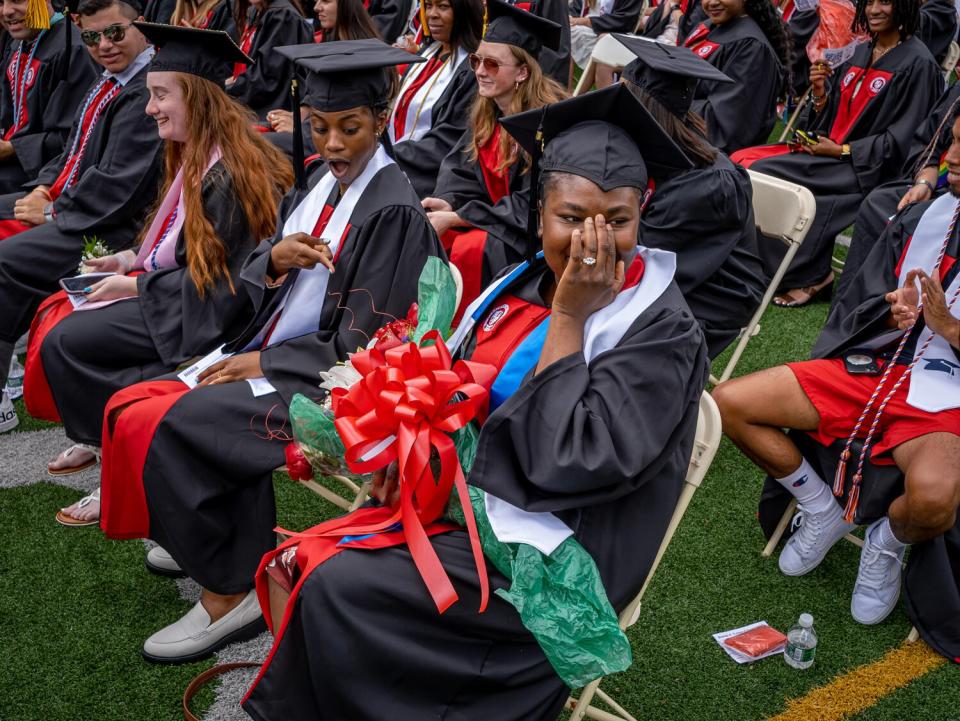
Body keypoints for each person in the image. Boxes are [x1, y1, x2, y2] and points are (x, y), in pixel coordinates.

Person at [240, 84, 707, 721]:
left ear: (640, 214)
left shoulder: (661, 330)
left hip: (559, 547)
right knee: (311, 559)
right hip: (471, 501)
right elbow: (455, 388)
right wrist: (407, 460)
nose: (593, 242)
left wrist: (570, 317)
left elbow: (567, 462)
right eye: (571, 218)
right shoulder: (524, 277)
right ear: (539, 213)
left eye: (618, 220)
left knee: (338, 584)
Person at [96, 40, 446, 663]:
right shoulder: (320, 183)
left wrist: (264, 363)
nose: (333, 143)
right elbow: (269, 271)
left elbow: (371, 349)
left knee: (180, 421)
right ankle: (216, 542)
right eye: (320, 127)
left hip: (336, 389)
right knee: (137, 405)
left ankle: (232, 593)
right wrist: (275, 259)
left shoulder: (393, 212)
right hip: (281, 353)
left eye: (350, 127)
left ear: (381, 119)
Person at [714, 113, 960, 648]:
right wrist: (891, 308)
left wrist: (948, 328)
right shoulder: (933, 216)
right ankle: (821, 507)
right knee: (730, 404)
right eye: (956, 141)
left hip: (948, 396)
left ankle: (886, 541)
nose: (952, 158)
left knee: (937, 498)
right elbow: (868, 296)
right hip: (883, 366)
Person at [30, 26, 292, 525]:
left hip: (213, 315)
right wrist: (129, 260)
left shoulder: (231, 173)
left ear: (196, 98)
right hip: (179, 293)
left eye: (159, 95)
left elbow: (222, 283)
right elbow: (176, 237)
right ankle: (112, 444)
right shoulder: (193, 152)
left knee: (71, 341)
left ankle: (121, 456)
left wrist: (133, 286)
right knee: (60, 319)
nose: (149, 107)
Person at [0, 0, 163, 434]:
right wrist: (42, 187)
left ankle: (3, 392)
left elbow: (120, 185)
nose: (103, 45)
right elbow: (72, 152)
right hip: (76, 204)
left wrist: (53, 209)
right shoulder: (109, 82)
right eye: (91, 37)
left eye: (115, 33)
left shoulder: (149, 89)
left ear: (142, 28)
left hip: (111, 227)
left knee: (5, 261)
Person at [733, 0, 943, 307]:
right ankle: (760, 265)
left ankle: (811, 275)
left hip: (868, 167)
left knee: (769, 172)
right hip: (832, 155)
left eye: (884, 2)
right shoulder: (859, 51)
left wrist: (844, 150)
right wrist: (820, 97)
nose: (873, 10)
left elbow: (906, 138)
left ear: (905, 8)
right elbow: (834, 118)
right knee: (743, 159)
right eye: (869, 2)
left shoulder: (919, 64)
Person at [618, 35, 766, 358]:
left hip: (712, 296)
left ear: (649, 112)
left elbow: (644, 254)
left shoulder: (711, 184)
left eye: (625, 99)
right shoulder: (656, 150)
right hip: (667, 269)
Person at [423, 0, 565, 309]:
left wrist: (461, 216)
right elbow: (460, 169)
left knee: (471, 247)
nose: (479, 71)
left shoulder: (548, 125)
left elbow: (538, 201)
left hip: (530, 236)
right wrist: (450, 201)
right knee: (435, 234)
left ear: (523, 72)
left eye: (492, 64)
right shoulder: (487, 114)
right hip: (496, 221)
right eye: (476, 60)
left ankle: (466, 330)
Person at [840, 81, 960, 290]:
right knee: (881, 204)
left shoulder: (917, 62)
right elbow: (930, 142)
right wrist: (924, 181)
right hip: (943, 186)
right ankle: (858, 311)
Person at [385, 0, 483, 197]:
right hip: (398, 158)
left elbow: (449, 140)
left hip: (430, 175)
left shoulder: (473, 70)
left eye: (443, 6)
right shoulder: (427, 54)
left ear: (464, 11)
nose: (432, 14)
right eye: (428, 5)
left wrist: (386, 155)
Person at [0, 0, 98, 193]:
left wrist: (12, 148)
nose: (7, 11)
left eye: (18, 0)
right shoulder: (19, 43)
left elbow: (73, 138)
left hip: (44, 171)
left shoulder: (72, 49)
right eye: (1, 2)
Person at [681, 0, 793, 154]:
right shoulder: (709, 26)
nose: (711, 2)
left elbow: (721, 128)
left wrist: (663, 99)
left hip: (707, 161)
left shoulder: (751, 49)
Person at [225, 0, 312, 120]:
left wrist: (227, 90)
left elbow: (267, 79)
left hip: (271, 114)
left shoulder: (282, 16)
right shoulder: (258, 11)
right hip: (251, 105)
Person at [568, 0, 643, 88]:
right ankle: (568, 91)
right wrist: (571, 18)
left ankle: (576, 96)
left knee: (603, 46)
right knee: (568, 31)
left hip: (617, 32)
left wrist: (586, 21)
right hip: (596, 28)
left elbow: (623, 21)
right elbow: (576, 7)